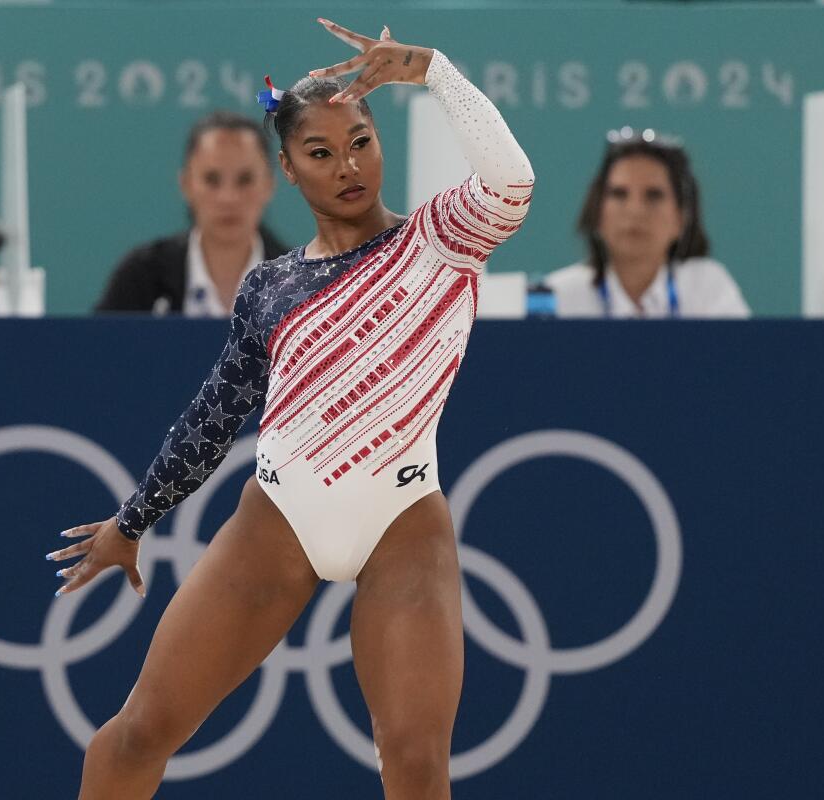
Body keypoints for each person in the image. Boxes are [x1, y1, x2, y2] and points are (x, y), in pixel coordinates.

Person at [48, 18, 534, 799]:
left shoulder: (439, 241)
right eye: (321, 153)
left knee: (414, 762)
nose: (348, 166)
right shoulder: (268, 288)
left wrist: (433, 70)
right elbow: (214, 416)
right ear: (288, 169)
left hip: (402, 524)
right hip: (279, 520)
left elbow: (511, 181)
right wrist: (132, 521)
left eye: (362, 142)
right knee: (138, 733)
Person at [93, 110, 290, 316]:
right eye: (212, 180)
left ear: (269, 185)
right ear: (186, 184)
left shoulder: (301, 282)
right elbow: (98, 346)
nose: (228, 198)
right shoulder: (140, 277)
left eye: (245, 180)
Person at [545, 127, 749, 318]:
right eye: (619, 194)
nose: (635, 211)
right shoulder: (556, 297)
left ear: (682, 218)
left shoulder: (708, 286)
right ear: (597, 211)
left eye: (654, 196)